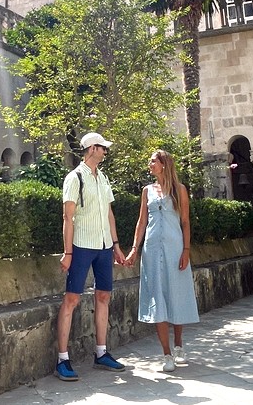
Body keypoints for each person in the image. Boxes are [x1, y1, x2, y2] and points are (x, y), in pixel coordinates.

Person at [55, 132, 128, 381]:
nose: (105, 151)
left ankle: (101, 353)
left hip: (104, 246)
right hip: (82, 246)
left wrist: (116, 246)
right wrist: (68, 252)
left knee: (104, 296)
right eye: (102, 148)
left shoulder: (103, 178)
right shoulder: (74, 178)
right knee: (72, 299)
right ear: (91, 148)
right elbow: (67, 217)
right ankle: (62, 359)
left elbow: (109, 214)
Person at [124, 149, 200, 372]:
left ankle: (178, 345)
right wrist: (134, 249)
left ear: (164, 164)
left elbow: (185, 222)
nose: (149, 164)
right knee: (157, 297)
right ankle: (166, 354)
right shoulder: (147, 191)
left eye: (153, 161)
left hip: (175, 249)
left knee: (175, 294)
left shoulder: (180, 190)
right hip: (152, 251)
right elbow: (141, 222)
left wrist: (186, 249)